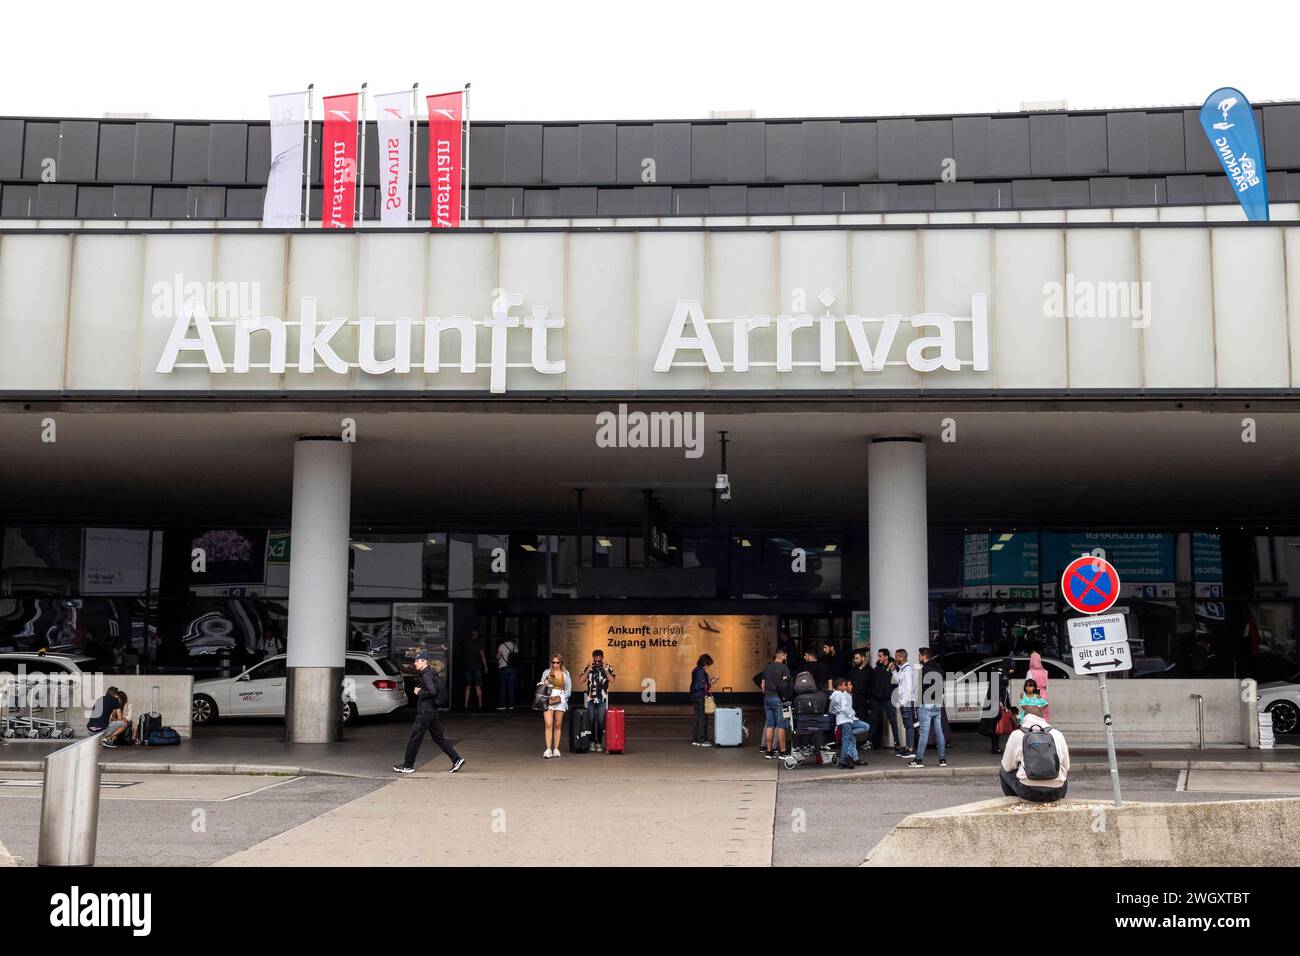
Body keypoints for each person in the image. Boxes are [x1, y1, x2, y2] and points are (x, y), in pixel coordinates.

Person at [393, 654, 465, 774]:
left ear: (424, 662)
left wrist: (419, 692)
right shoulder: (431, 673)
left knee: (415, 737)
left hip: (426, 711)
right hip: (432, 710)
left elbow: (432, 691)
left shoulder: (426, 674)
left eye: (417, 661)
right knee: (438, 737)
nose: (415, 663)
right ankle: (456, 759)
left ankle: (408, 765)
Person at [999, 706, 1070, 802]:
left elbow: (1007, 767)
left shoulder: (1016, 735)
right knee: (1062, 771)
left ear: (1025, 718)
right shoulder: (1057, 734)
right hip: (1057, 792)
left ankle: (1013, 801)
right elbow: (1067, 766)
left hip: (1028, 792)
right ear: (1042, 718)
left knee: (1003, 770)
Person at [908, 647, 947, 768]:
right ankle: (942, 759)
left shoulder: (925, 669)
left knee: (924, 732)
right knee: (939, 731)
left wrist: (918, 705)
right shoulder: (939, 669)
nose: (918, 658)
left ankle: (918, 760)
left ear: (924, 656)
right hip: (937, 703)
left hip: (926, 704)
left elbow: (922, 688)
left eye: (919, 656)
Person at [830, 677, 871, 769]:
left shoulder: (834, 696)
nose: (845, 687)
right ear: (840, 686)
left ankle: (848, 759)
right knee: (846, 741)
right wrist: (851, 715)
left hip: (840, 720)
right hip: (846, 720)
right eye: (844, 685)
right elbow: (845, 709)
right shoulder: (842, 695)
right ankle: (844, 761)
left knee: (847, 740)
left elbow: (831, 710)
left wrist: (838, 712)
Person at [579, 649, 615, 752]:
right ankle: (591, 742)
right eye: (596, 661)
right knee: (590, 720)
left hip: (602, 699)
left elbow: (612, 680)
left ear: (603, 658)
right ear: (593, 659)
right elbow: (581, 680)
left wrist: (605, 669)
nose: (598, 663)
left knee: (600, 721)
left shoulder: (608, 667)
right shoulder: (589, 667)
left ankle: (598, 742)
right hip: (590, 699)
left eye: (600, 660)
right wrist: (589, 668)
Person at [760, 648, 793, 759]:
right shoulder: (784, 668)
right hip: (778, 698)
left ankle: (769, 752)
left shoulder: (767, 667)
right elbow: (786, 684)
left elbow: (763, 685)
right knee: (781, 725)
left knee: (770, 725)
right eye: (785, 656)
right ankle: (782, 751)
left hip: (767, 698)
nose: (786, 658)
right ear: (782, 656)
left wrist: (767, 694)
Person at [868, 648, 902, 753]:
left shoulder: (894, 668)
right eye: (879, 656)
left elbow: (898, 682)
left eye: (880, 656)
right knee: (874, 721)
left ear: (886, 656)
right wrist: (874, 695)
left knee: (893, 721)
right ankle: (869, 742)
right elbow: (871, 684)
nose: (879, 658)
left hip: (888, 699)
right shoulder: (876, 670)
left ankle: (897, 743)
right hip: (877, 700)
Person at [978, 657, 1013, 754]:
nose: (1012, 670)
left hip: (997, 702)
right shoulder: (999, 673)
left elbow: (1004, 691)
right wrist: (999, 702)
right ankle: (995, 747)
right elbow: (997, 689)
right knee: (995, 724)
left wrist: (1007, 705)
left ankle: (995, 746)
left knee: (995, 724)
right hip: (995, 703)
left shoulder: (1001, 672)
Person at [540, 654, 571, 758]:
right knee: (548, 724)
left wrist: (562, 698)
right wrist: (546, 680)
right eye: (553, 662)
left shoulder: (565, 674)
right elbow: (542, 686)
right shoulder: (547, 672)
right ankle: (548, 749)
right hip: (548, 699)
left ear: (561, 663)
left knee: (558, 725)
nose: (555, 664)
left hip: (560, 699)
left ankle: (556, 748)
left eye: (557, 662)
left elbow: (568, 689)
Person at [894, 649, 917, 759]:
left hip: (907, 702)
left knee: (909, 726)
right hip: (905, 701)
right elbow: (898, 680)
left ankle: (910, 749)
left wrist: (903, 703)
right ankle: (908, 747)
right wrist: (894, 671)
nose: (895, 658)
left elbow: (909, 688)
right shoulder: (902, 669)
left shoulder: (907, 670)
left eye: (896, 656)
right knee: (907, 725)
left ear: (901, 657)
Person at [689, 654, 715, 746]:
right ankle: (702, 740)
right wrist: (710, 682)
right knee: (702, 718)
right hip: (700, 696)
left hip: (694, 696)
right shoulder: (701, 671)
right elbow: (701, 685)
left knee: (697, 717)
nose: (708, 667)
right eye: (708, 664)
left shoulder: (695, 670)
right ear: (705, 663)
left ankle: (695, 739)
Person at [849, 650, 872, 740]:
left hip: (864, 699)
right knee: (853, 719)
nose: (855, 660)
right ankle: (853, 739)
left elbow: (871, 685)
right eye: (854, 658)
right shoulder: (853, 670)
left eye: (857, 658)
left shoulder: (870, 670)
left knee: (863, 719)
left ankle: (862, 740)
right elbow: (849, 682)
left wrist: (868, 699)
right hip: (854, 698)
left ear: (863, 658)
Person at [463, 630, 488, 710]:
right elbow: (482, 656)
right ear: (476, 635)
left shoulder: (467, 643)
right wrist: (486, 666)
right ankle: (480, 704)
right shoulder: (479, 644)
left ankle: (466, 705)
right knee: (478, 686)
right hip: (477, 666)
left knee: (468, 686)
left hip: (468, 666)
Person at [496, 635, 519, 711]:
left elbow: (498, 657)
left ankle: (502, 705)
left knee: (503, 687)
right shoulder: (514, 645)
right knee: (511, 686)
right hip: (513, 668)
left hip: (504, 667)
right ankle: (511, 705)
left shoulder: (502, 645)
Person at [1028, 651, 1050, 721]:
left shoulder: (1030, 672)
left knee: (1033, 715)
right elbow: (1047, 687)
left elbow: (1028, 687)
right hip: (1043, 695)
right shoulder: (1045, 672)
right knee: (1044, 714)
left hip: (1033, 696)